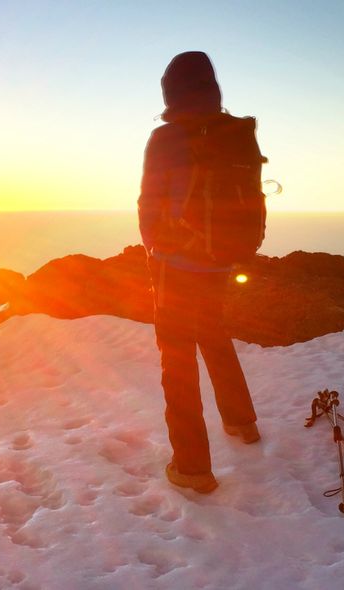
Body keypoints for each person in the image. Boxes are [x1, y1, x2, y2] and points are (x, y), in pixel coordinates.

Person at [138, 51, 260, 494]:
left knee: (177, 357)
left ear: (170, 91)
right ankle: (242, 422)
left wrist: (154, 247)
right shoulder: (235, 133)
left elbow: (148, 203)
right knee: (213, 333)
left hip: (175, 263)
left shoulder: (167, 137)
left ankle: (191, 466)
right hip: (221, 258)